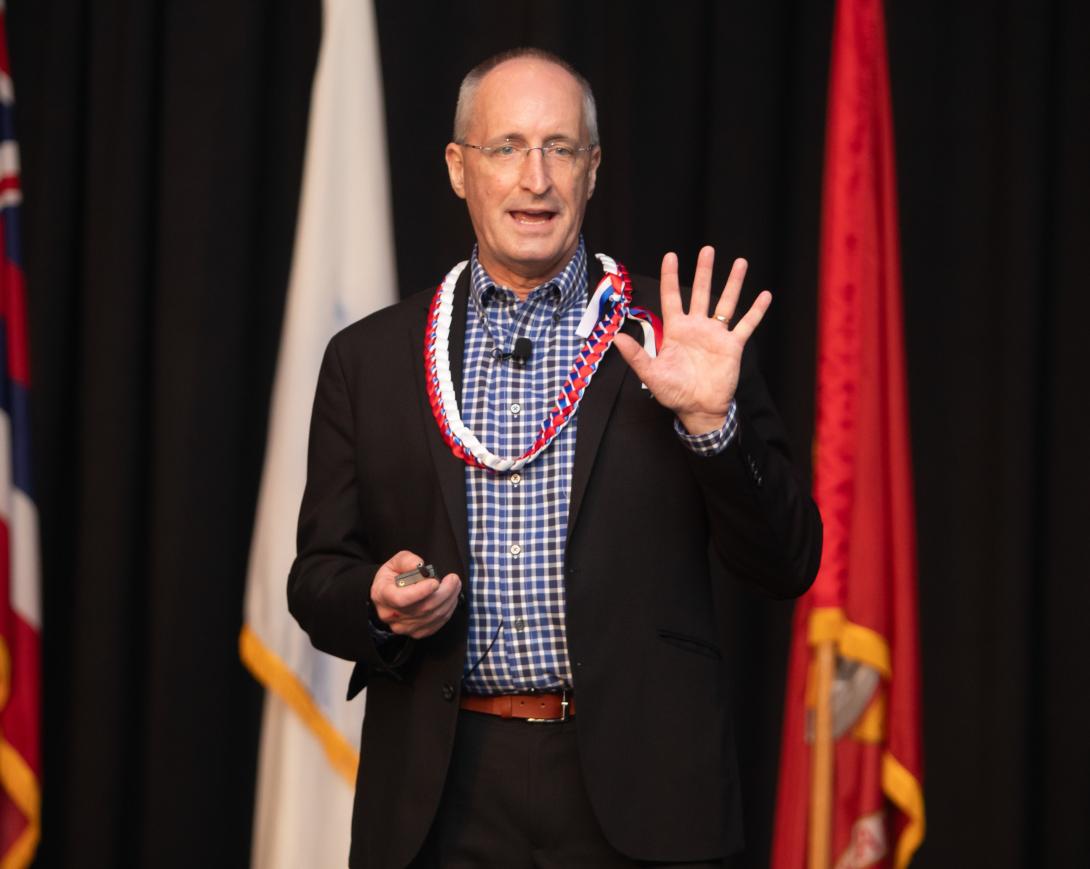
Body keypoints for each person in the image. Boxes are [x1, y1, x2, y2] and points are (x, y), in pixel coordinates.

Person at [288, 47, 822, 869]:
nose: (535, 177)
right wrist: (374, 600)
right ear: (459, 169)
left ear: (593, 169)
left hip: (640, 795)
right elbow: (315, 575)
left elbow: (789, 561)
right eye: (506, 148)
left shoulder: (677, 338)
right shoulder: (370, 358)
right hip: (439, 793)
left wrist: (714, 427)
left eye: (560, 148)